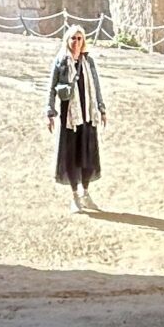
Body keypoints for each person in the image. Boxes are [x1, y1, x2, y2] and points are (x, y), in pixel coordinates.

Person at [48, 24, 108, 212]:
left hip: (88, 115)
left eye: (79, 38)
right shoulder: (61, 61)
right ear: (67, 40)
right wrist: (49, 112)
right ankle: (75, 196)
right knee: (72, 157)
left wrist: (102, 108)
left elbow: (96, 86)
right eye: (73, 38)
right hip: (70, 118)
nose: (76, 42)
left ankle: (86, 193)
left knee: (88, 157)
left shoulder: (88, 62)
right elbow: (51, 87)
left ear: (83, 42)